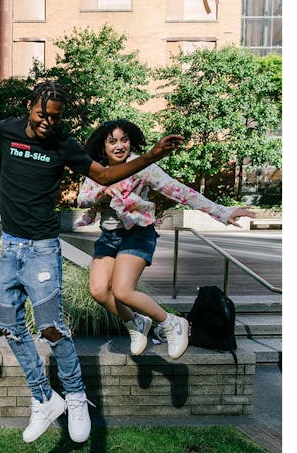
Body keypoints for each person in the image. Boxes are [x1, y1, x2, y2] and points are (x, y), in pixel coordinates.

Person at [0, 80, 184, 445]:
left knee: (50, 327)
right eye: (42, 115)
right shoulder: (9, 129)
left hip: (42, 247)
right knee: (10, 326)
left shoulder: (64, 145)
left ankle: (75, 397)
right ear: (30, 106)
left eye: (54, 118)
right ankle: (44, 398)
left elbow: (104, 175)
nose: (47, 123)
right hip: (11, 246)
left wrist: (151, 154)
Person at [76, 118, 255, 358]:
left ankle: (171, 322)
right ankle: (136, 323)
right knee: (98, 291)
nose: (120, 146)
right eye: (112, 142)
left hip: (138, 233)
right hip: (109, 236)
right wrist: (102, 190)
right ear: (103, 146)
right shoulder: (97, 170)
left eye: (124, 140)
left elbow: (180, 192)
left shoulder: (143, 167)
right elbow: (82, 199)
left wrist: (222, 211)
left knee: (122, 291)